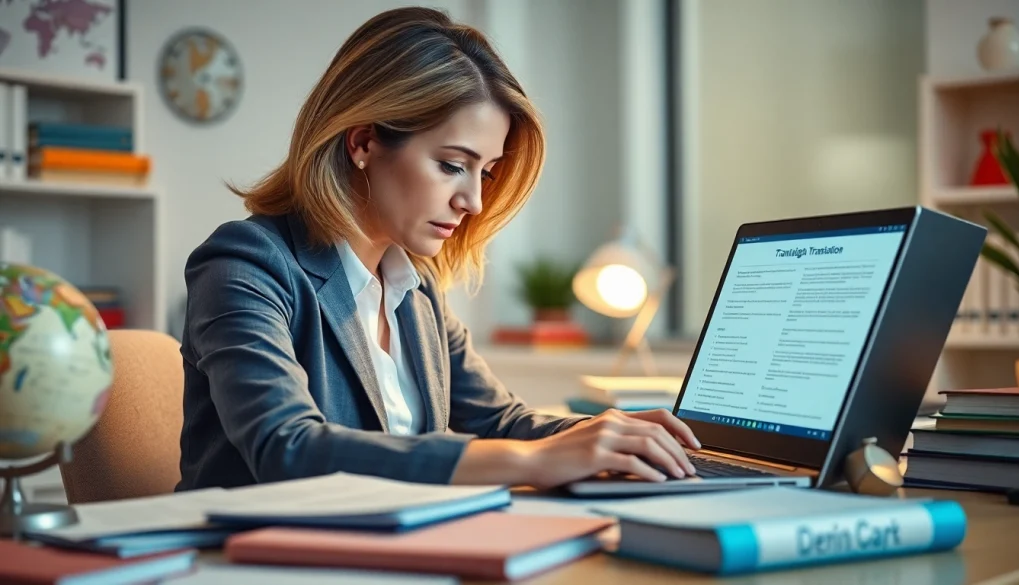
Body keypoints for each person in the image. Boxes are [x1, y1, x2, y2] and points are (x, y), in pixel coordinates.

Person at [176, 6, 700, 492]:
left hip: (398, 544)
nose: (474, 201)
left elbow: (501, 422)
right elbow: (288, 449)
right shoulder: (244, 265)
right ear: (362, 143)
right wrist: (533, 462)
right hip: (254, 549)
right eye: (452, 165)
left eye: (485, 172)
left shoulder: (415, 286)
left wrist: (613, 435)